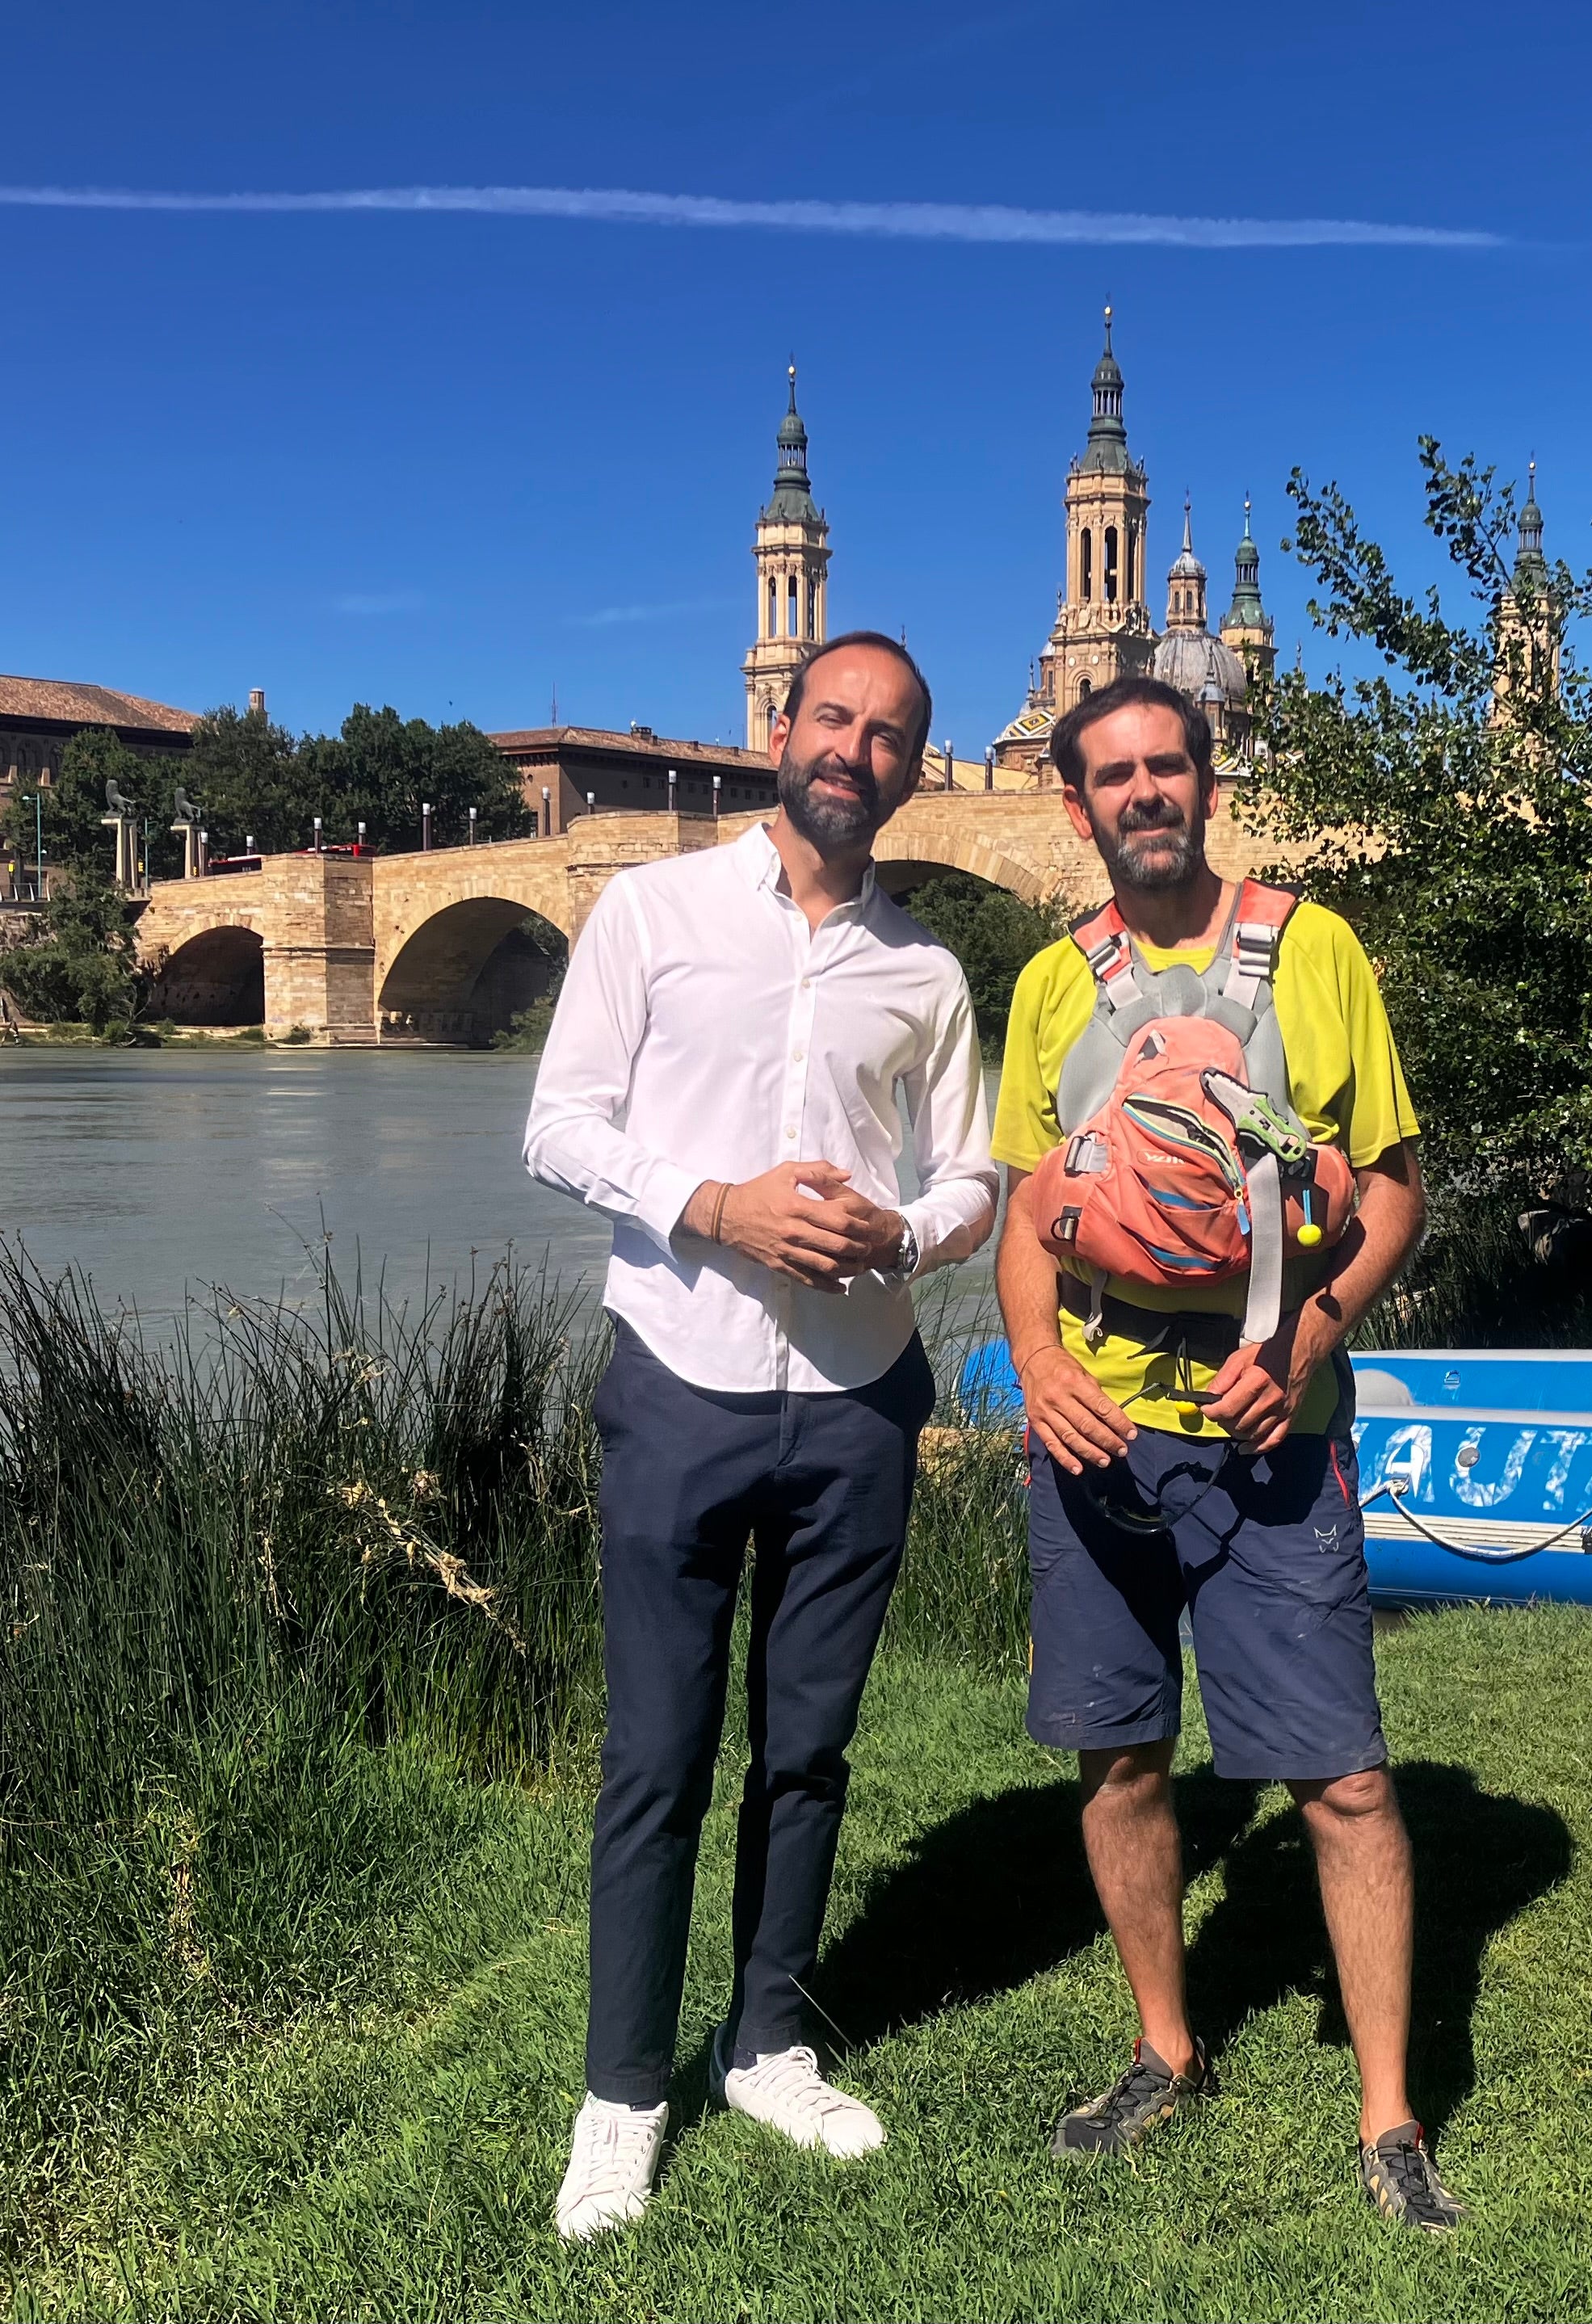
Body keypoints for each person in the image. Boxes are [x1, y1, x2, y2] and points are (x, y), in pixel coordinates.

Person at [523, 632, 997, 2241]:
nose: (855, 751)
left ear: (913, 771)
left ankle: (771, 2040)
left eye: (890, 736)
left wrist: (910, 1232)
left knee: (808, 1747)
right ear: (784, 731)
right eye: (835, 718)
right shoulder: (649, 914)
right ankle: (622, 2089)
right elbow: (559, 1124)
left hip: (858, 1399)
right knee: (655, 1755)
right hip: (678, 1379)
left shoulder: (925, 973)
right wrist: (710, 1202)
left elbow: (973, 1179)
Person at [992, 674, 1456, 2232]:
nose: (1144, 794)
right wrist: (1039, 1358)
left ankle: (1391, 2117)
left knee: (1342, 1781)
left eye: (1167, 767)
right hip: (1103, 1435)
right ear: (1078, 805)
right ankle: (1165, 2049)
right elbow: (1025, 1214)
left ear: (1207, 779)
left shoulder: (1316, 949)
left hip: (1277, 1431)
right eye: (1113, 775)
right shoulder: (1056, 983)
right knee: (1120, 1758)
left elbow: (1389, 1186)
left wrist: (1312, 1334)